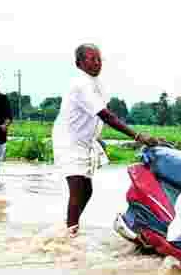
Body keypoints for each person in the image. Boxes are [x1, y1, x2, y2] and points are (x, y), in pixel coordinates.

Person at [53, 44, 157, 235]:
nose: (97, 63)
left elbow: (100, 115)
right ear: (79, 63)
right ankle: (70, 234)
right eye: (91, 59)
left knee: (87, 189)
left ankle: (69, 225)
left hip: (86, 142)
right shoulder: (81, 84)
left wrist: (97, 138)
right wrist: (137, 136)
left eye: (99, 59)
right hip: (69, 141)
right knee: (77, 189)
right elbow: (105, 115)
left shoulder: (97, 84)